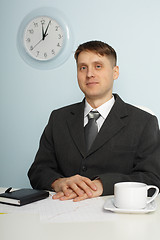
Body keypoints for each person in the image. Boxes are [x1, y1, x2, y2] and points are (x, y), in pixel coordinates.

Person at [28, 40, 160, 202]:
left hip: (117, 214)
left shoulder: (144, 121)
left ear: (115, 72)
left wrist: (103, 185)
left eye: (98, 66)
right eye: (83, 68)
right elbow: (38, 170)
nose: (89, 74)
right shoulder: (58, 118)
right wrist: (58, 182)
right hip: (63, 210)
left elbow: (152, 177)